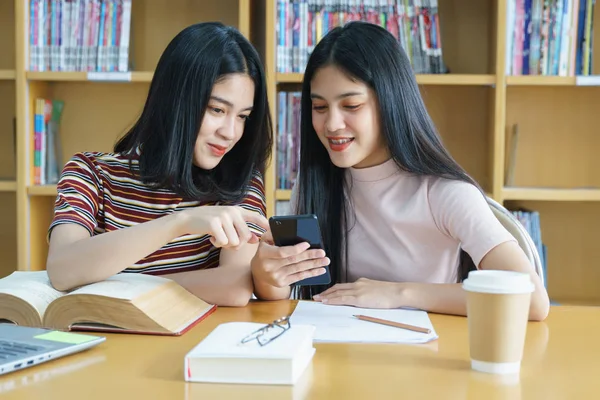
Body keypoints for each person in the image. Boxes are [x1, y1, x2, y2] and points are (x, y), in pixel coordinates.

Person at [251, 21, 549, 321]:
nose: (331, 124)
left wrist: (398, 293)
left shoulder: (445, 192)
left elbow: (533, 300)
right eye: (319, 107)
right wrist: (267, 276)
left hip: (428, 355)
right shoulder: (315, 181)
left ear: (390, 102)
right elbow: (288, 294)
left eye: (351, 105)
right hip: (339, 353)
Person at [46, 22, 272, 307]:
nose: (230, 132)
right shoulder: (90, 172)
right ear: (176, 101)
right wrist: (179, 223)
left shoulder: (241, 181)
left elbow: (234, 286)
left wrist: (108, 283)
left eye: (242, 116)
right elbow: (63, 269)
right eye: (217, 110)